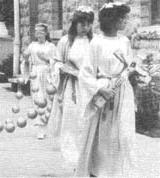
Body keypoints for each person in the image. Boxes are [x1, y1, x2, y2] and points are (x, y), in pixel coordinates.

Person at [76, 2, 136, 177]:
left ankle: (118, 173)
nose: (125, 21)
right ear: (111, 20)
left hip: (122, 93)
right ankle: (99, 172)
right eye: (122, 18)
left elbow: (129, 64)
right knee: (103, 137)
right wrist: (101, 90)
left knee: (122, 134)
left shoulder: (124, 41)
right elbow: (85, 73)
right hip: (104, 95)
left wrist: (131, 72)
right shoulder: (97, 43)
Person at [47, 6, 95, 170]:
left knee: (86, 120)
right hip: (72, 87)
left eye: (88, 24)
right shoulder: (65, 41)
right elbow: (56, 61)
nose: (85, 27)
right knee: (71, 120)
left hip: (88, 87)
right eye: (82, 23)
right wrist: (63, 69)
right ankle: (72, 160)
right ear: (75, 24)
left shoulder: (93, 42)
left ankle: (86, 157)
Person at [21, 23, 58, 139]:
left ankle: (47, 125)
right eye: (37, 33)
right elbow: (26, 59)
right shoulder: (32, 45)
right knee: (37, 98)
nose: (39, 35)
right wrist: (26, 56)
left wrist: (46, 59)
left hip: (47, 73)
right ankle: (40, 127)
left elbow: (56, 62)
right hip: (36, 73)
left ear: (46, 33)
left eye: (41, 33)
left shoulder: (51, 47)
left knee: (47, 99)